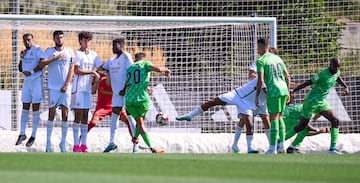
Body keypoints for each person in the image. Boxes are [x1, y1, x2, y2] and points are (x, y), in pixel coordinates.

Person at [176, 77, 268, 154]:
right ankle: (190, 115)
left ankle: (250, 147)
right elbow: (255, 76)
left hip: (253, 102)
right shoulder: (263, 73)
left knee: (248, 122)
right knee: (213, 101)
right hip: (237, 94)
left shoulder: (274, 81)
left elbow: (267, 91)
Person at [285, 58, 349, 154]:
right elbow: (308, 82)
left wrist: (345, 86)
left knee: (335, 120)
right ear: (330, 65)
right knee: (302, 126)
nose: (336, 69)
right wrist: (293, 91)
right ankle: (279, 141)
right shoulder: (322, 75)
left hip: (322, 102)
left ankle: (332, 149)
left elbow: (338, 78)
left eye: (338, 67)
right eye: (334, 67)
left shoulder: (337, 72)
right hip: (311, 102)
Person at [125, 52, 170, 153]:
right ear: (144, 59)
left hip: (129, 100)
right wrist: (166, 70)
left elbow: (129, 84)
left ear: (135, 59)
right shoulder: (145, 64)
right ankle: (152, 147)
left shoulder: (129, 69)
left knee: (139, 122)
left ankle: (135, 138)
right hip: (141, 99)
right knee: (141, 123)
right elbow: (158, 69)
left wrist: (145, 87)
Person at [38, 30, 75, 152]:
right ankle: (48, 143)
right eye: (57, 38)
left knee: (65, 114)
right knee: (51, 114)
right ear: (54, 39)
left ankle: (62, 144)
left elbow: (72, 69)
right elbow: (41, 64)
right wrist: (54, 58)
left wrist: (67, 84)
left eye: (61, 37)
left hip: (66, 88)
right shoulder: (49, 51)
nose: (60, 40)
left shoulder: (69, 52)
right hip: (53, 88)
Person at [100, 37, 136, 153]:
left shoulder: (126, 58)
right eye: (113, 45)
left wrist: (125, 88)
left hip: (127, 93)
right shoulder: (111, 61)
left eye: (116, 45)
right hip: (116, 94)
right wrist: (100, 73)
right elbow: (101, 69)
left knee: (130, 117)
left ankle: (135, 146)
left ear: (122, 46)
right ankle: (111, 142)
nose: (113, 48)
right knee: (114, 117)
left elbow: (131, 73)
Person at [255, 38, 291, 154]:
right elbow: (288, 76)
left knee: (274, 118)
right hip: (284, 90)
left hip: (274, 90)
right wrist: (289, 91)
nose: (257, 50)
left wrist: (257, 96)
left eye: (258, 48)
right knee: (280, 117)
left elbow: (260, 80)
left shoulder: (261, 60)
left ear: (261, 47)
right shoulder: (277, 58)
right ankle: (282, 146)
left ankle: (272, 148)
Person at [87, 71, 138, 152]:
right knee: (93, 123)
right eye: (109, 74)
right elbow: (93, 91)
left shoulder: (117, 84)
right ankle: (81, 139)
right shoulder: (101, 81)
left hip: (114, 107)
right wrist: (96, 81)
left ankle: (135, 143)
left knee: (129, 121)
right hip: (102, 108)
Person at [70, 31, 102, 153]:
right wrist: (92, 72)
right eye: (84, 40)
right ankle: (75, 144)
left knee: (85, 117)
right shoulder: (77, 53)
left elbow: (101, 67)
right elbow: (76, 71)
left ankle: (84, 144)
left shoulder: (93, 54)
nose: (87, 42)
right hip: (78, 89)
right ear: (80, 41)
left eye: (88, 40)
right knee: (77, 116)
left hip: (87, 90)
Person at [15, 33, 44, 147]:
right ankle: (22, 133)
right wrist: (21, 58)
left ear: (32, 40)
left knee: (35, 108)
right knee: (25, 106)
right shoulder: (24, 52)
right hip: (26, 82)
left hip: (36, 81)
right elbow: (20, 69)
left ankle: (33, 135)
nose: (27, 42)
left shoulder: (37, 49)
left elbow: (42, 63)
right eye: (25, 40)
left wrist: (32, 72)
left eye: (28, 40)